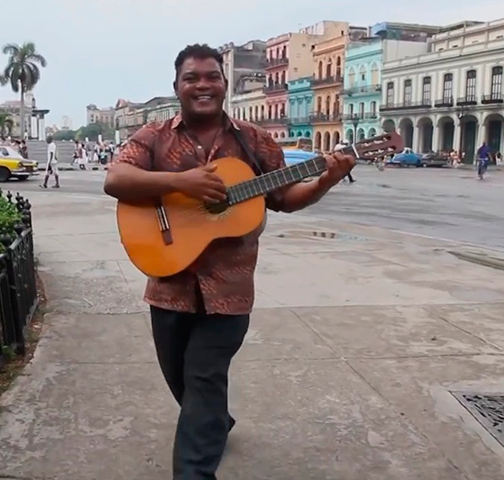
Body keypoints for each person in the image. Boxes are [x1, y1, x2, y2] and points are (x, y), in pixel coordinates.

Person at [103, 43, 354, 480]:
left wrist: (326, 180)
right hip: (169, 281)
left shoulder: (253, 142)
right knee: (180, 378)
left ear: (224, 83)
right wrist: (182, 182)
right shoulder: (154, 136)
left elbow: (284, 199)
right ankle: (214, 421)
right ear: (177, 86)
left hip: (230, 291)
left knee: (203, 376)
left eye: (212, 76)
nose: (203, 84)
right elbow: (116, 179)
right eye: (192, 78)